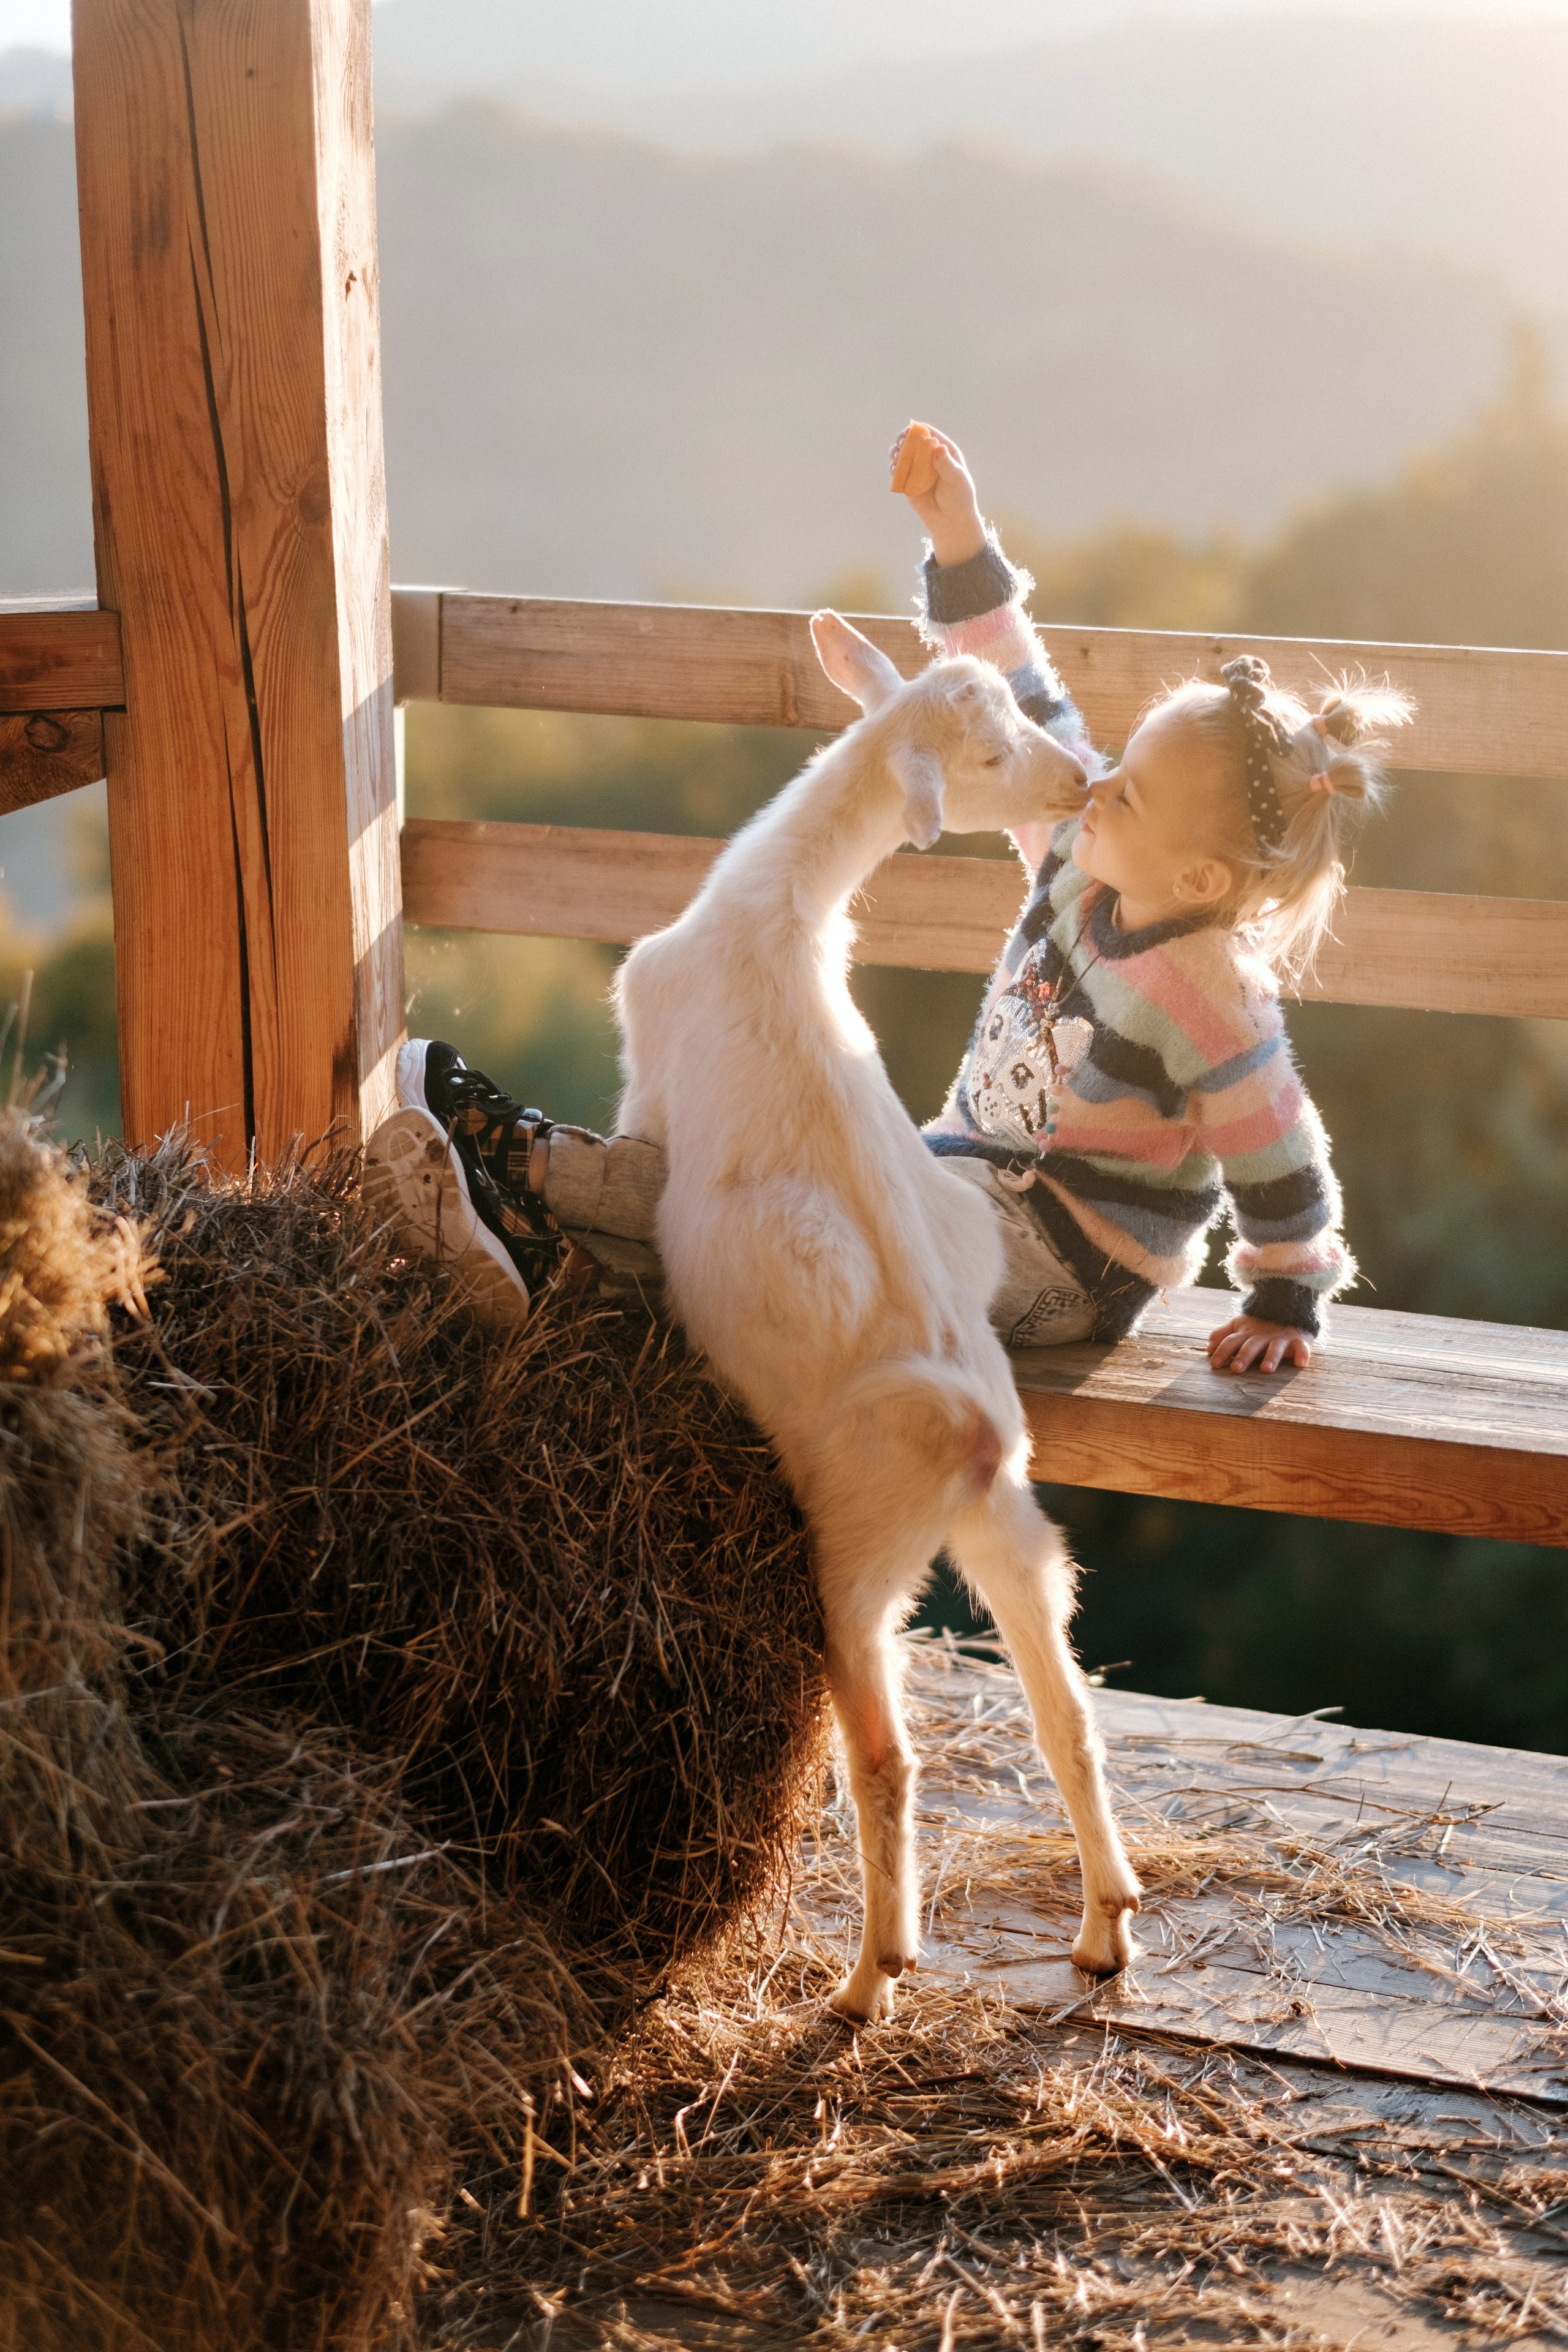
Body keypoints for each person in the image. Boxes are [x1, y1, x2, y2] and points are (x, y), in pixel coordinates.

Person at [366, 426, 1408, 1376]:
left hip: (1059, 1264)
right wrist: (960, 543)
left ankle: (529, 1171)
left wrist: (1284, 1295)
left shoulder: (1208, 993)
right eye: (1117, 765)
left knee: (802, 1233)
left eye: (1126, 789)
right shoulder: (1085, 857)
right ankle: (536, 1231)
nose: (1095, 783)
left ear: (1199, 883)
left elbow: (1279, 1147)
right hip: (947, 1179)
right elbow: (1020, 693)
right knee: (773, 1178)